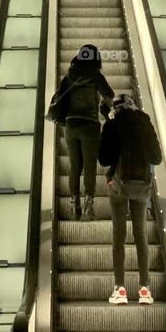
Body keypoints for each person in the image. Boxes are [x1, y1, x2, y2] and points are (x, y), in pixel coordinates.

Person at [98, 92, 162, 305]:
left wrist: (106, 123)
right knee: (141, 234)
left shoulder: (112, 126)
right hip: (142, 186)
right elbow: (156, 158)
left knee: (119, 236)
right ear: (133, 105)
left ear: (115, 109)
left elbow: (104, 159)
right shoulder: (145, 123)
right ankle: (145, 289)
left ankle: (120, 289)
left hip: (119, 186)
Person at [52, 44, 114, 220]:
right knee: (89, 166)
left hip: (71, 125)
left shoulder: (69, 76)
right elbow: (109, 95)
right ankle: (89, 206)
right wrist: (103, 108)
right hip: (90, 125)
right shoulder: (96, 76)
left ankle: (74, 205)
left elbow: (60, 99)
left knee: (74, 166)